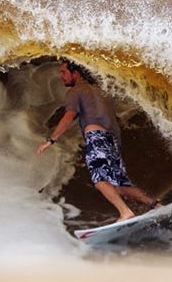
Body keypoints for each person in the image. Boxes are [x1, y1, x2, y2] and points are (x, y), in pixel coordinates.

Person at [37, 60, 161, 222]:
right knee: (120, 186)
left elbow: (68, 117)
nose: (61, 77)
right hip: (112, 139)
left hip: (96, 137)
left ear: (76, 74)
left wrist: (51, 140)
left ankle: (125, 213)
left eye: (63, 72)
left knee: (100, 180)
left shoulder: (76, 91)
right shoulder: (99, 91)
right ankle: (155, 205)